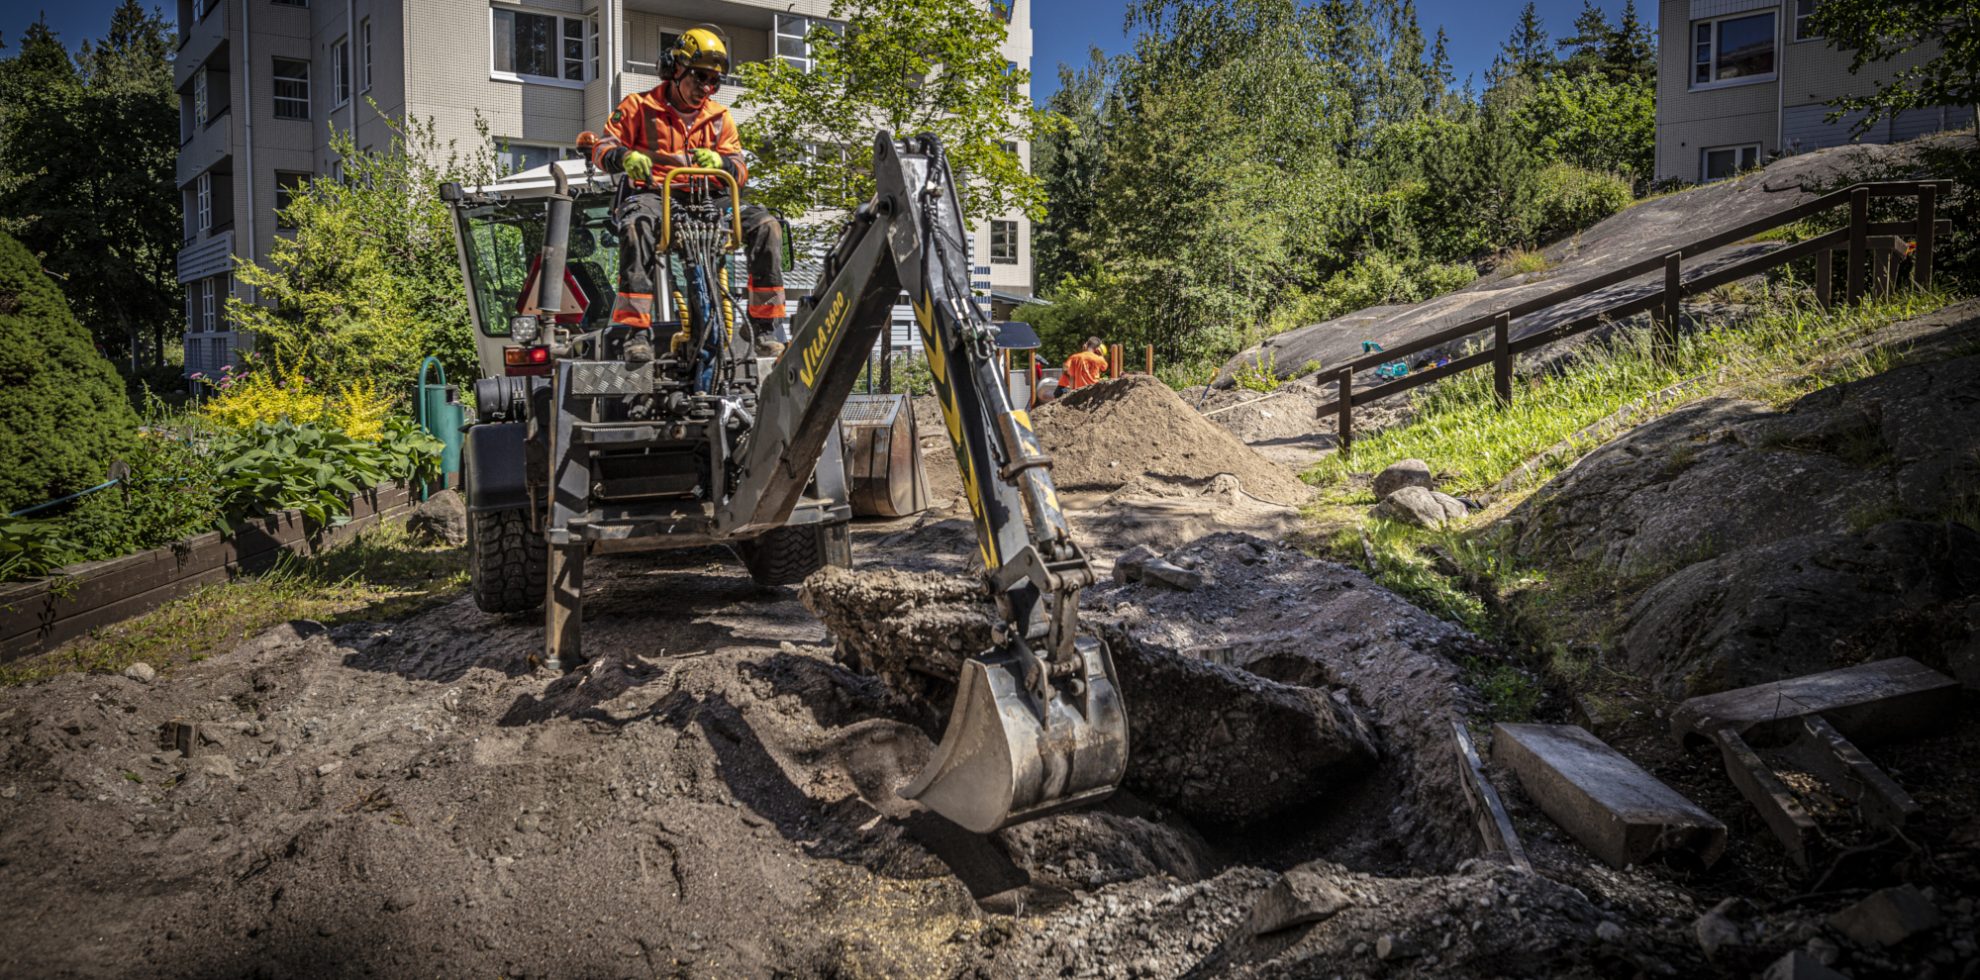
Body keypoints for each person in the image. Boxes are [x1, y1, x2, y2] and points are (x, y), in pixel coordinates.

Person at [586, 26, 785, 363]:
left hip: (708, 197)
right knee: (636, 226)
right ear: (676, 69)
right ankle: (637, 333)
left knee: (767, 225)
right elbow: (603, 147)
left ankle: (765, 327)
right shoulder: (638, 107)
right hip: (656, 195)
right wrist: (625, 157)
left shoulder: (720, 119)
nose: (706, 88)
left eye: (714, 81)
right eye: (700, 77)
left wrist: (721, 161)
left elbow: (739, 167)